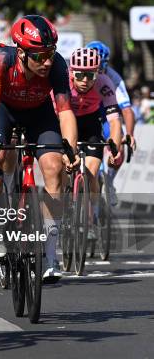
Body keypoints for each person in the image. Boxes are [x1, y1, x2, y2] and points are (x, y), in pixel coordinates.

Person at [0, 15, 80, 284]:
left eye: (50, 53)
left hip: (39, 114)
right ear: (22, 52)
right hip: (5, 111)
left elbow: (65, 112)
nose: (47, 61)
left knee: (54, 167)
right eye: (39, 56)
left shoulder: (57, 65)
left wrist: (70, 150)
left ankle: (50, 254)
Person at [65, 47, 122, 239]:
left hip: (90, 124)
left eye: (90, 75)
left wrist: (115, 148)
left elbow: (114, 121)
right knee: (60, 165)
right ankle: (65, 200)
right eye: (79, 75)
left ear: (98, 73)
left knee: (90, 173)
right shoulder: (61, 81)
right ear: (71, 72)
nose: (84, 81)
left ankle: (93, 216)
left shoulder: (104, 84)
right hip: (64, 121)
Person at [86, 41, 137, 206]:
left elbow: (127, 110)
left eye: (101, 65)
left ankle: (109, 181)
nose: (97, 70)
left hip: (107, 114)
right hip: (87, 114)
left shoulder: (114, 77)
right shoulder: (80, 73)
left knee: (118, 146)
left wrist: (129, 134)